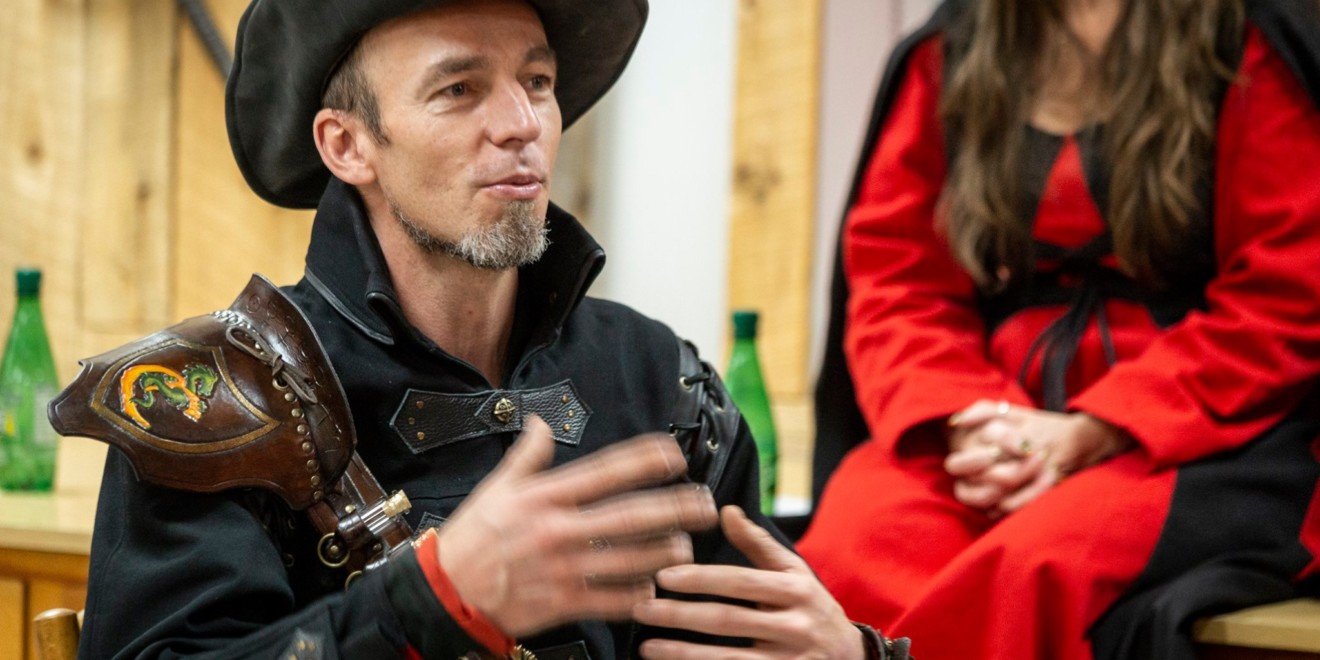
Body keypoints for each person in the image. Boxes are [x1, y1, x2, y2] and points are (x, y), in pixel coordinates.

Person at [71, 1, 904, 658]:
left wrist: (852, 654)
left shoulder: (660, 378)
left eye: (537, 81)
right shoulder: (211, 401)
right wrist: (427, 602)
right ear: (348, 145)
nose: (522, 123)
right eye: (459, 89)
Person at [797, 0, 1320, 658]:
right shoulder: (952, 48)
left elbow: (1288, 288)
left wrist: (1095, 428)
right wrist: (977, 424)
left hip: (1198, 429)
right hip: (989, 417)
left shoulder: (1245, 37)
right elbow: (898, 281)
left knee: (1030, 572)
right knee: (858, 547)